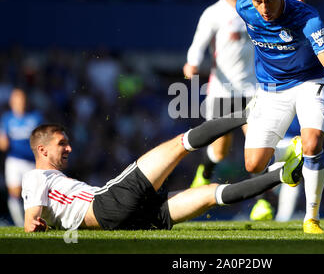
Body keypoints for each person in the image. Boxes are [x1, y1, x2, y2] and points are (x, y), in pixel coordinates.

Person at [22, 115, 303, 232]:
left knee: (210, 194)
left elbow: (41, 220)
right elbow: (29, 221)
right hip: (106, 204)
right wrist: (33, 225)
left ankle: (283, 176)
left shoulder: (53, 180)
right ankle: (247, 113)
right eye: (62, 144)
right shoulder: (36, 177)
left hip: (123, 222)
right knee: (178, 145)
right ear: (42, 150)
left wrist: (43, 226)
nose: (69, 148)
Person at [184, 0, 304, 221]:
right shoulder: (213, 14)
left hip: (253, 90)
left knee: (258, 145)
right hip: (222, 91)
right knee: (221, 150)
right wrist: (192, 63)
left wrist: (289, 4)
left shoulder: (256, 9)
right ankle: (205, 173)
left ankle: (262, 203)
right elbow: (198, 43)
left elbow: (279, 16)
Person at [236, 0, 324, 233]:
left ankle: (311, 218)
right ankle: (291, 153)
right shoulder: (244, 5)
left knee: (312, 144)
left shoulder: (307, 18)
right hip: (270, 89)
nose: (263, 8)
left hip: (308, 83)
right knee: (253, 164)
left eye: (269, 0)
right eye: (258, 1)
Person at [0, 88, 43, 226]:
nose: (20, 103)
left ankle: (34, 220)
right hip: (14, 160)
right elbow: (3, 141)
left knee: (32, 195)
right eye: (17, 101)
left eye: (22, 100)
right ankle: (20, 223)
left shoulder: (35, 117)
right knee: (14, 192)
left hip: (32, 162)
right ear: (12, 103)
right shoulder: (7, 119)